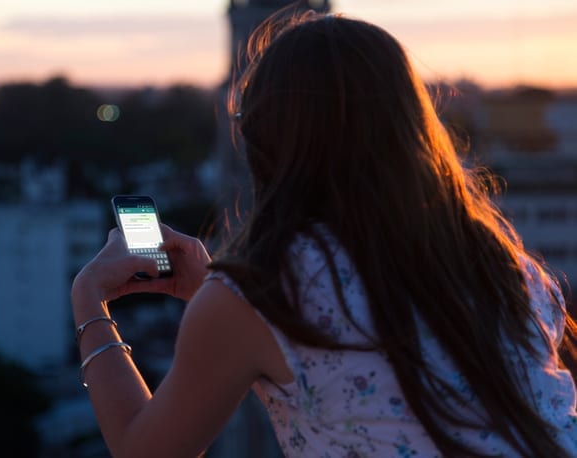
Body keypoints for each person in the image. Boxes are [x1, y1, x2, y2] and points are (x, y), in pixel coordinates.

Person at [70, 10, 577, 458]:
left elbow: (146, 450)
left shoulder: (262, 294)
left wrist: (89, 299)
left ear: (265, 141)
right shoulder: (499, 263)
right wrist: (215, 296)